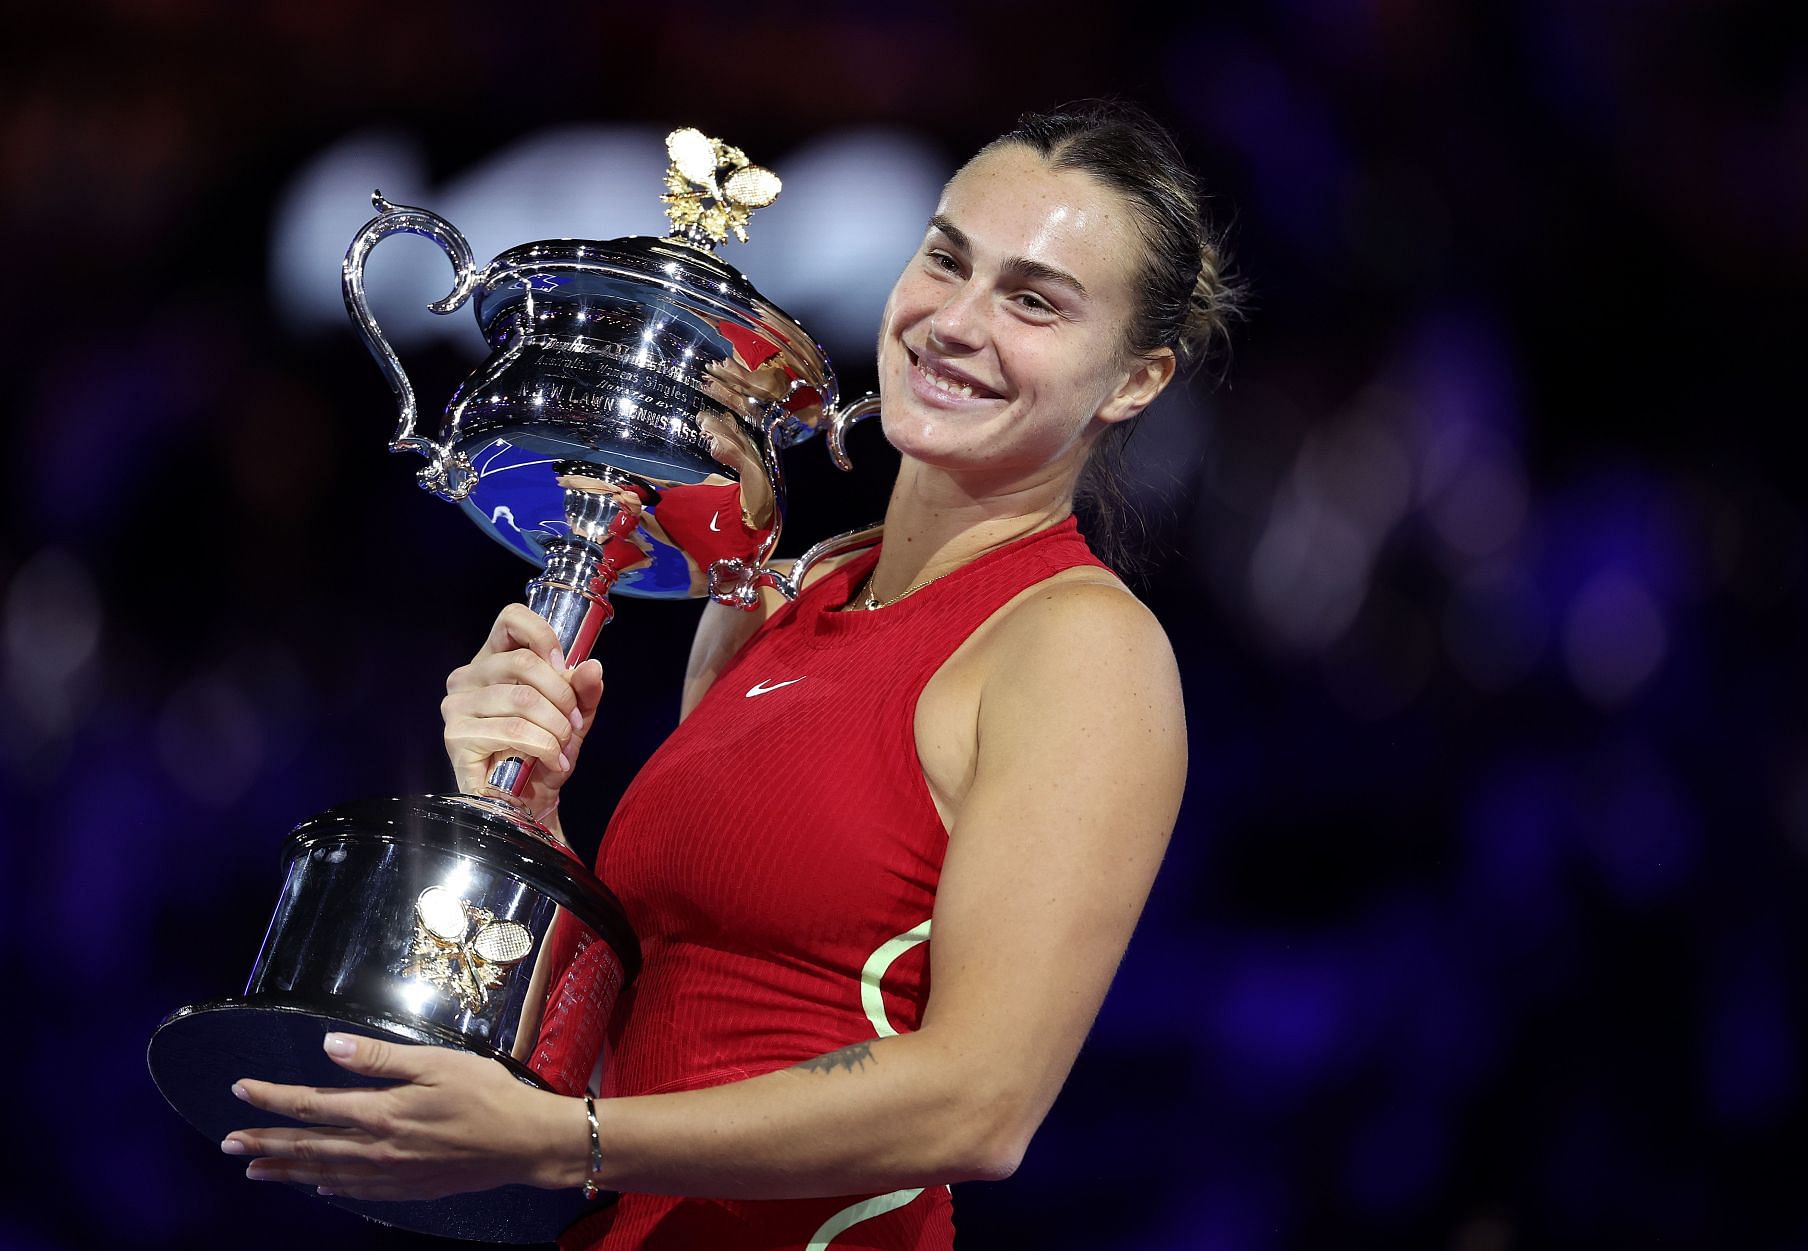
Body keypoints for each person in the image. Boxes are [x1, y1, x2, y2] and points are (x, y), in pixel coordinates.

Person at [222, 100, 1240, 1249]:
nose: (955, 322)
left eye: (1033, 300)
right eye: (946, 260)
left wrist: (567, 1141)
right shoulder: (771, 597)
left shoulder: (1080, 648)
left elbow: (982, 1103)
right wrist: (528, 828)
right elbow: (662, 1013)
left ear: (1135, 380)